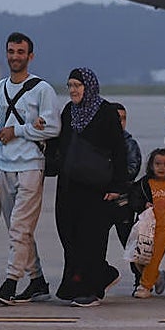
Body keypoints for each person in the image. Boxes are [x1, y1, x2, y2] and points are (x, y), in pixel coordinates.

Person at [0, 32, 60, 307]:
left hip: (31, 167)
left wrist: (18, 130)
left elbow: (52, 128)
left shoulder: (42, 89)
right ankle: (36, 281)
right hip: (4, 167)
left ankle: (10, 283)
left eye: (20, 52)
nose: (15, 56)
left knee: (20, 228)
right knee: (18, 229)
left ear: (30, 56)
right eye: (11, 51)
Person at [52, 68, 129, 307]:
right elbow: (60, 145)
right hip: (69, 186)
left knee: (91, 239)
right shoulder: (69, 112)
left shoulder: (106, 113)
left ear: (89, 86)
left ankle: (91, 289)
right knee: (69, 235)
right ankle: (84, 282)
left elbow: (119, 151)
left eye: (78, 85)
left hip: (96, 188)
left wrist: (118, 185)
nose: (73, 90)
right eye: (70, 85)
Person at [128, 149, 165, 298]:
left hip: (164, 229)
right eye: (157, 164)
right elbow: (133, 199)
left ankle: (145, 287)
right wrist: (142, 205)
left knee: (154, 259)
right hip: (146, 229)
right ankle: (157, 276)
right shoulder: (144, 184)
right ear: (151, 165)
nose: (161, 168)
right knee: (139, 259)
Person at [111, 102, 142, 288]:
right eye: (116, 119)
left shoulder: (128, 143)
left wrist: (112, 177)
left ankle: (141, 277)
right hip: (105, 199)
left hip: (123, 201)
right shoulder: (102, 143)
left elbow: (133, 169)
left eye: (123, 119)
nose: (120, 123)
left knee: (129, 242)